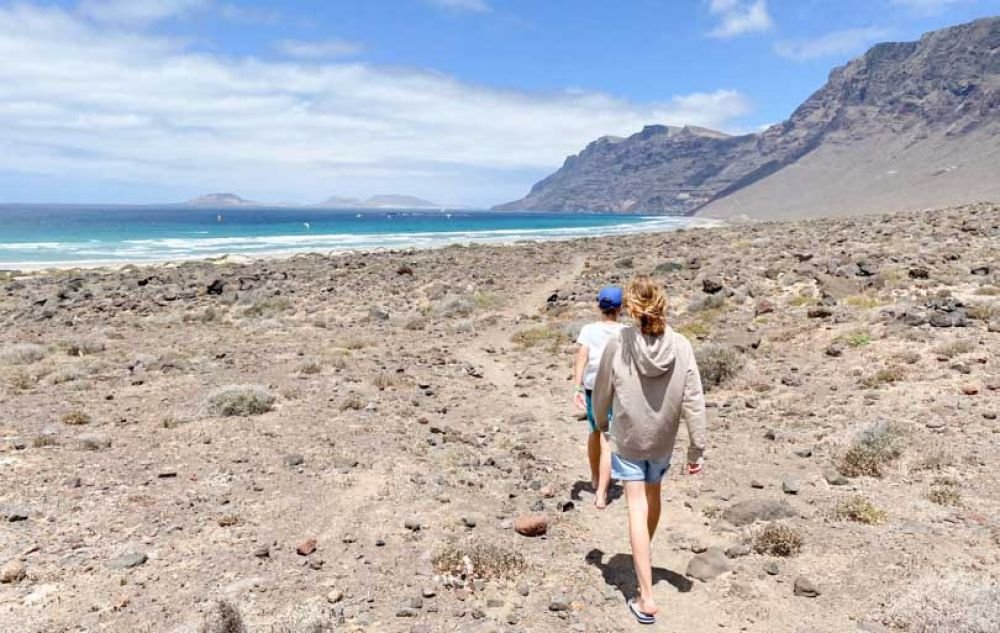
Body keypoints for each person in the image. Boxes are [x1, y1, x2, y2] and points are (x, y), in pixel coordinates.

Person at [592, 275, 706, 625]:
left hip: (628, 437)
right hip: (662, 438)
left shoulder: (620, 342)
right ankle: (645, 552)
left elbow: (602, 389)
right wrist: (696, 448)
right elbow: (694, 399)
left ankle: (646, 597)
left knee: (635, 507)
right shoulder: (681, 345)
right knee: (652, 497)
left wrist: (601, 422)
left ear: (631, 308)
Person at [572, 286, 625, 509]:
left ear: (599, 306)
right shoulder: (626, 331)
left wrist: (576, 387)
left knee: (595, 432)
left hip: (593, 390)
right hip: (616, 390)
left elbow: (581, 358)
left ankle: (595, 478)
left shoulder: (588, 330)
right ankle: (602, 493)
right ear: (620, 308)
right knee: (607, 439)